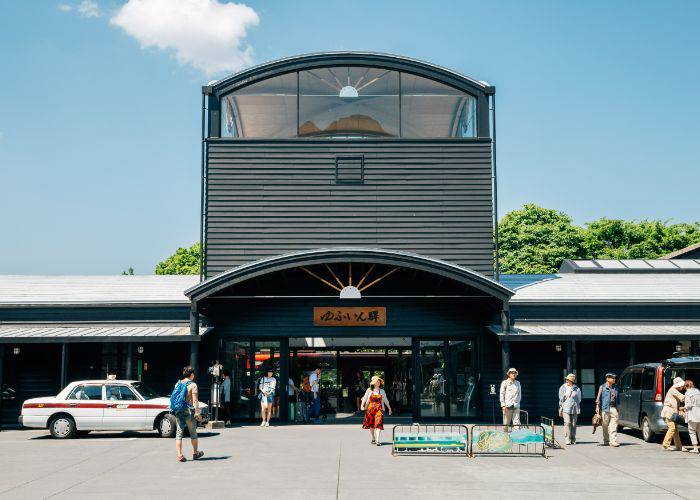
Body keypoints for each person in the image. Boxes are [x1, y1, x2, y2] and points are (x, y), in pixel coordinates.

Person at [174, 365, 204, 462]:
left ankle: (179, 455)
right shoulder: (193, 385)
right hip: (189, 412)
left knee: (179, 433)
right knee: (193, 433)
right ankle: (195, 453)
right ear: (191, 374)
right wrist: (197, 412)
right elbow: (195, 400)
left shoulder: (177, 384)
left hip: (178, 411)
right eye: (193, 373)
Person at [360, 375, 392, 446]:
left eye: (379, 381)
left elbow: (386, 400)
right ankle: (373, 437)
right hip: (370, 410)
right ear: (373, 383)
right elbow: (365, 398)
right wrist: (362, 405)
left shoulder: (382, 391)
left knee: (379, 423)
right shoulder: (369, 390)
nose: (378, 382)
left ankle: (377, 440)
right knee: (371, 426)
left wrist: (389, 408)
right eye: (377, 381)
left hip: (379, 409)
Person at [660, 377, 686, 451]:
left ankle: (679, 446)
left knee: (675, 430)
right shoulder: (673, 390)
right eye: (682, 385)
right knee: (672, 428)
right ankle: (665, 444)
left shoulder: (673, 390)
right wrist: (692, 395)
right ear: (678, 385)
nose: (683, 387)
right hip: (668, 413)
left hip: (671, 413)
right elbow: (682, 398)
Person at [596, 373, 620, 447]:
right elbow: (598, 399)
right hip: (605, 409)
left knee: (614, 425)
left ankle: (613, 441)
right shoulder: (602, 387)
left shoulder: (615, 387)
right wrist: (597, 409)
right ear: (607, 379)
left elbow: (618, 399)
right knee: (605, 425)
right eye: (613, 378)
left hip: (613, 408)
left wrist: (619, 409)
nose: (614, 379)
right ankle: (606, 440)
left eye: (614, 378)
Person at [558, 373, 582, 445]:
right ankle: (567, 439)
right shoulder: (563, 387)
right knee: (567, 423)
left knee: (574, 424)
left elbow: (579, 399)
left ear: (572, 381)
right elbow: (560, 397)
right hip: (566, 408)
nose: (567, 381)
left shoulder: (577, 389)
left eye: (568, 380)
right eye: (567, 379)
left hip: (575, 408)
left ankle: (573, 438)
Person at [684, 380, 700, 454]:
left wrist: (683, 408)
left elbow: (689, 405)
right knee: (699, 431)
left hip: (692, 414)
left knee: (692, 431)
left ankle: (695, 448)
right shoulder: (698, 391)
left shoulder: (688, 393)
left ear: (686, 386)